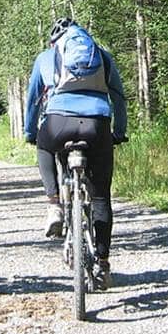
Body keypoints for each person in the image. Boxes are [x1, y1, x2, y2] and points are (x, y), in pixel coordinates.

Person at [24, 17, 128, 289]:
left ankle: (54, 204)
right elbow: (118, 96)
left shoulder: (46, 57)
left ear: (55, 41)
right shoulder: (102, 56)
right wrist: (119, 131)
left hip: (58, 123)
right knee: (101, 197)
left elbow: (33, 100)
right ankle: (103, 264)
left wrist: (29, 133)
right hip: (98, 125)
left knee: (44, 146)